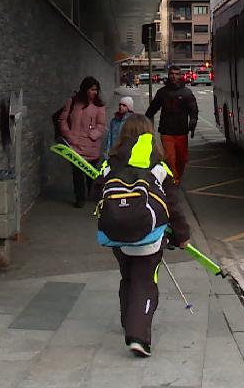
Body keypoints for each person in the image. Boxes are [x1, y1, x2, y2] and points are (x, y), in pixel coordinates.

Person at [93, 114, 190, 358]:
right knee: (145, 281)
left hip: (117, 233)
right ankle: (138, 336)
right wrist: (181, 235)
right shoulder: (157, 164)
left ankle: (128, 320)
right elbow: (173, 204)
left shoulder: (111, 163)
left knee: (128, 276)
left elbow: (95, 192)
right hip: (149, 235)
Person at [58, 76, 107, 208]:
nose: (94, 92)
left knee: (90, 173)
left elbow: (101, 125)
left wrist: (93, 135)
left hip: (91, 145)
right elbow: (62, 119)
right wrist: (68, 134)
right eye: (92, 89)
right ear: (85, 89)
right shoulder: (72, 102)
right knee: (77, 173)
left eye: (96, 90)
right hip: (74, 143)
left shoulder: (99, 106)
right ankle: (80, 197)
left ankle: (93, 194)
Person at [145, 65, 198, 185]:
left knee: (182, 159)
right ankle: (174, 179)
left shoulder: (186, 93)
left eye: (176, 74)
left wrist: (193, 121)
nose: (174, 76)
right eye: (171, 74)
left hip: (181, 132)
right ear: (168, 75)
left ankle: (177, 175)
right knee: (170, 158)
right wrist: (144, 122)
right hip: (166, 131)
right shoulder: (162, 93)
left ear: (180, 76)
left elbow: (193, 110)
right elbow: (152, 109)